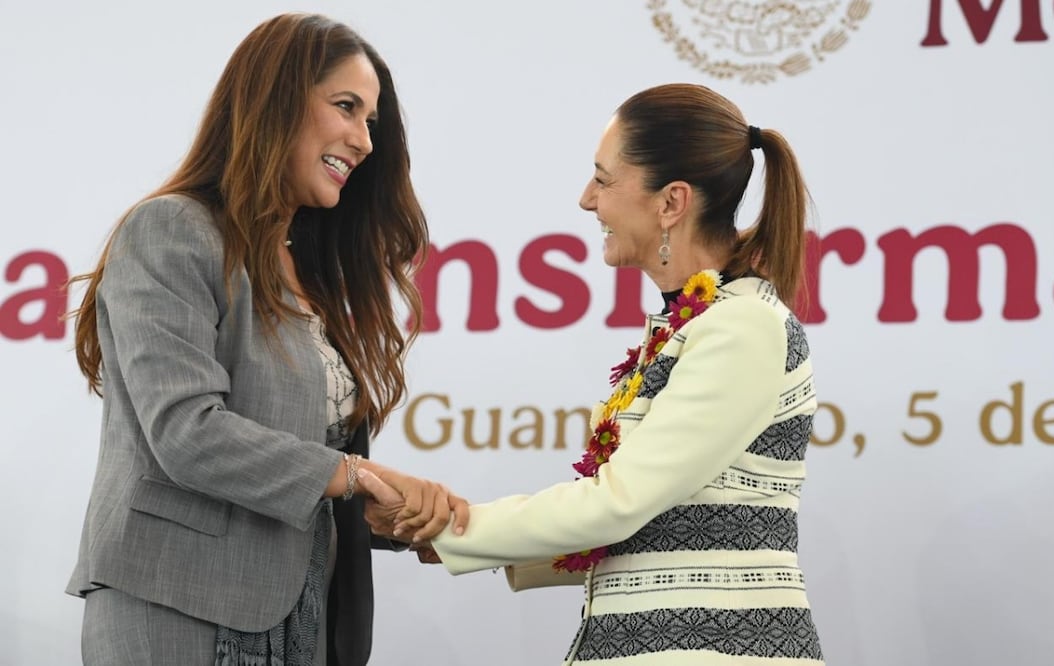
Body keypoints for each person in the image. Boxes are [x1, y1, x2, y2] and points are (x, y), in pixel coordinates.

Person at [369, 83, 824, 664]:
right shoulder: (696, 322)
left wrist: (456, 529)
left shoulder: (742, 326)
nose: (587, 200)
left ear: (671, 203)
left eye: (604, 180)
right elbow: (653, 524)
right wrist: (460, 539)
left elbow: (618, 503)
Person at [65, 13, 466, 666]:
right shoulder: (171, 229)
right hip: (177, 604)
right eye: (346, 107)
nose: (364, 141)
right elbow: (187, 433)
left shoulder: (308, 273)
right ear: (276, 100)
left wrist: (386, 512)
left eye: (371, 121)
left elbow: (301, 470)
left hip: (305, 621)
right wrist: (357, 475)